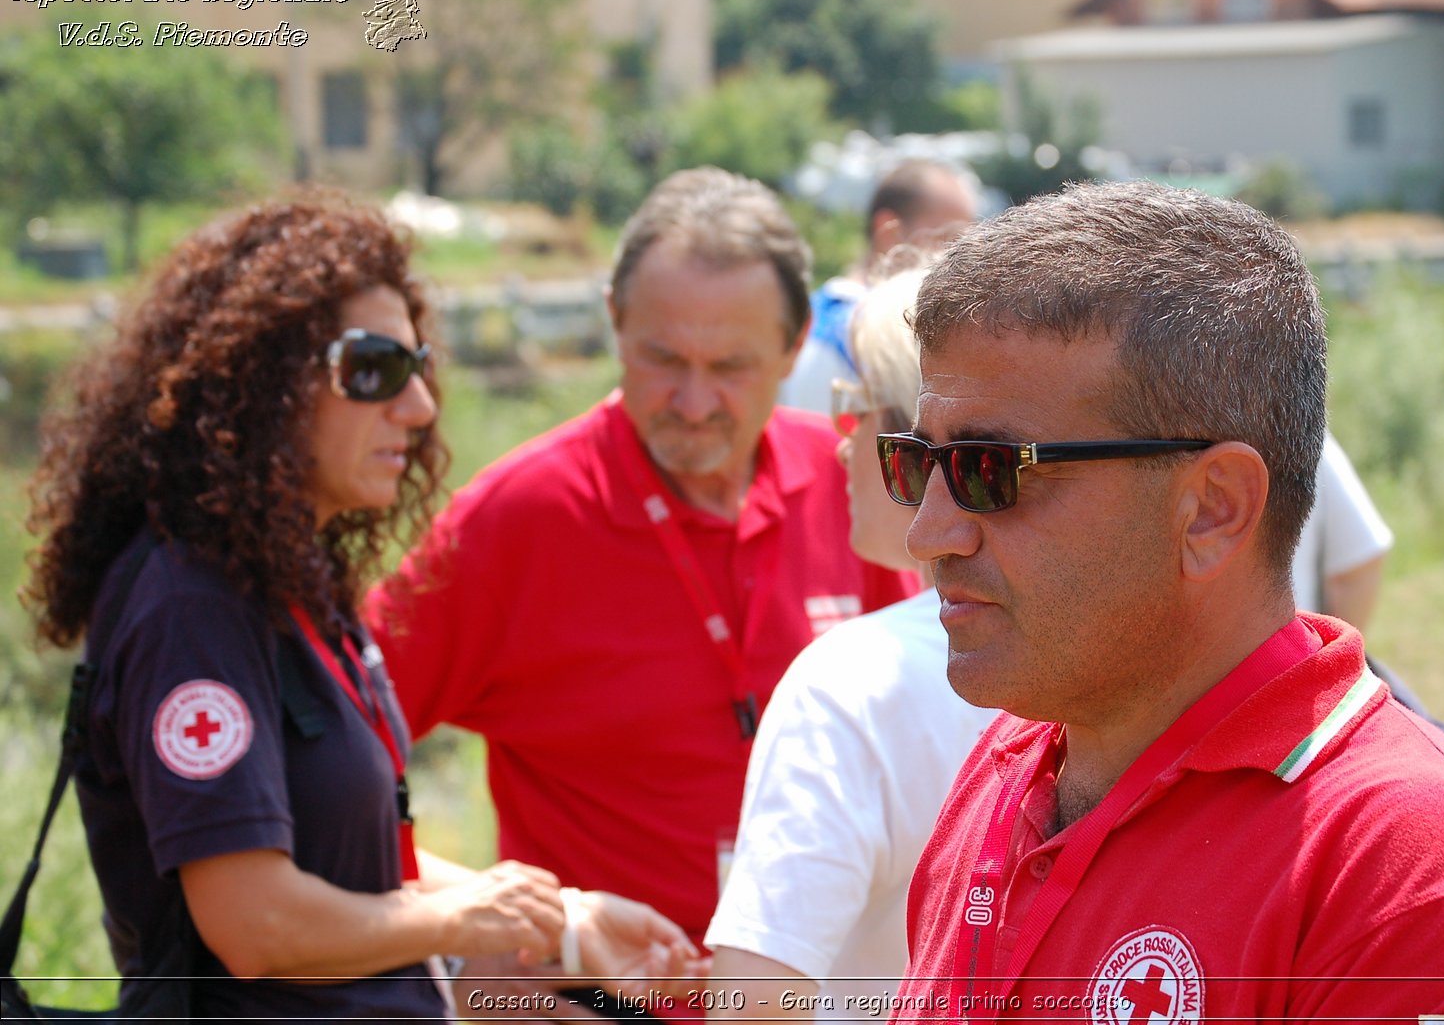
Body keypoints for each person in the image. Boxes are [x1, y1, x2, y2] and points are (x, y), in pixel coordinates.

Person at [884, 182, 1444, 1021]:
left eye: (988, 471)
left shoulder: (1419, 879)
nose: (929, 535)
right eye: (915, 464)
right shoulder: (1010, 770)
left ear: (1213, 508)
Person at [22, 196, 699, 1020]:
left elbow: (362, 864)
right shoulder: (189, 608)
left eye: (418, 370)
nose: (417, 409)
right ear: (260, 379)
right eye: (374, 370)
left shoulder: (286, 580)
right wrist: (459, 917)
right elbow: (256, 922)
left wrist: (563, 921)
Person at [365, 168, 919, 1008]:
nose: (694, 402)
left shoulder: (853, 484)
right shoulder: (519, 516)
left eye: (730, 364)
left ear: (795, 342)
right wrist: (484, 916)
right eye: (662, 358)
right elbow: (324, 764)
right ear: (614, 322)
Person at [704, 264, 996, 1020]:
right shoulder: (1124, 647)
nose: (839, 446)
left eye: (858, 408)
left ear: (915, 436)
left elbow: (753, 999)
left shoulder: (847, 682)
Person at [779, 159, 978, 414]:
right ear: (889, 231)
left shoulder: (822, 315)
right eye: (948, 240)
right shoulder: (846, 332)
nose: (959, 257)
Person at [1293, 429, 1393, 629]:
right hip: (1293, 649)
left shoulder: (1301, 433)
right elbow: (1361, 559)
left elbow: (1361, 558)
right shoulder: (1294, 427)